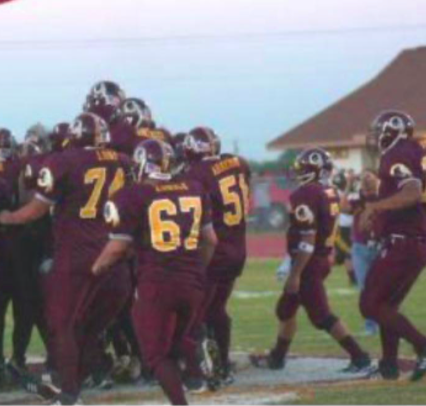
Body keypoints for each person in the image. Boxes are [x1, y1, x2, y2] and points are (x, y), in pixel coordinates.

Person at [0, 113, 132, 405]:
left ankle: (69, 392)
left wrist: (7, 217)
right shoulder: (123, 162)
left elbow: (35, 210)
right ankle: (71, 381)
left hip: (77, 256)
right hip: (116, 257)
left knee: (62, 325)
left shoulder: (63, 162)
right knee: (88, 328)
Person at [93, 139, 217, 405]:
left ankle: (181, 398)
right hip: (193, 282)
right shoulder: (194, 189)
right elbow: (211, 241)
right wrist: (197, 270)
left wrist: (95, 268)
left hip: (157, 283)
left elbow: (117, 248)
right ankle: (197, 362)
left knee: (155, 355)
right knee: (174, 342)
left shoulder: (133, 195)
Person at [252, 148, 371, 373]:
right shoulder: (329, 190)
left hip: (308, 263)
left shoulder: (306, 194)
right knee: (285, 310)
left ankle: (360, 357)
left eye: (302, 169)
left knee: (321, 316)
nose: (297, 172)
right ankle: (277, 357)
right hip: (319, 258)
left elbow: (307, 238)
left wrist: (295, 273)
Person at [359, 111, 426, 382]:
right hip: (411, 241)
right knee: (386, 305)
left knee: (371, 305)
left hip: (403, 242)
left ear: (392, 131)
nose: (375, 137)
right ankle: (388, 365)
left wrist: (374, 206)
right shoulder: (412, 151)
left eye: (379, 131)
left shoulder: (397, 153)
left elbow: (411, 192)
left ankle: (422, 346)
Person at [182, 126, 251, 389]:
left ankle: (205, 370)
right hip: (238, 247)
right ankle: (222, 363)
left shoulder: (196, 173)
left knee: (196, 314)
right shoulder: (237, 164)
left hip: (215, 251)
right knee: (217, 309)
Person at [346, 171, 381, 336]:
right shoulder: (358, 199)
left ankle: (387, 323)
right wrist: (347, 184)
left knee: (383, 288)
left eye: (369, 182)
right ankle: (371, 324)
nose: (367, 185)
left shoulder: (383, 197)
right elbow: (342, 207)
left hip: (380, 245)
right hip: (361, 246)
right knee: (366, 288)